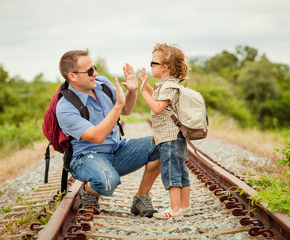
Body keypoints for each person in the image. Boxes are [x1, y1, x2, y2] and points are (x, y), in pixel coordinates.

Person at [56, 49, 161, 217]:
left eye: (94, 67)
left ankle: (141, 199)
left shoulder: (102, 84)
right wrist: (118, 106)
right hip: (86, 157)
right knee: (107, 182)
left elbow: (126, 110)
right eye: (90, 71)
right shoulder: (65, 107)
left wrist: (132, 91)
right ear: (73, 76)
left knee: (162, 143)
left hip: (116, 150)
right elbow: (97, 136)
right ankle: (88, 192)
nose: (95, 73)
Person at [138, 43, 191, 219]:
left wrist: (143, 93)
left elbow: (158, 107)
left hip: (170, 137)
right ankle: (184, 206)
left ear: (164, 67)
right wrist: (146, 87)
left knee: (171, 172)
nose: (150, 65)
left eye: (153, 63)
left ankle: (175, 209)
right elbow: (160, 99)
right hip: (176, 136)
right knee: (181, 170)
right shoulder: (168, 84)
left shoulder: (168, 86)